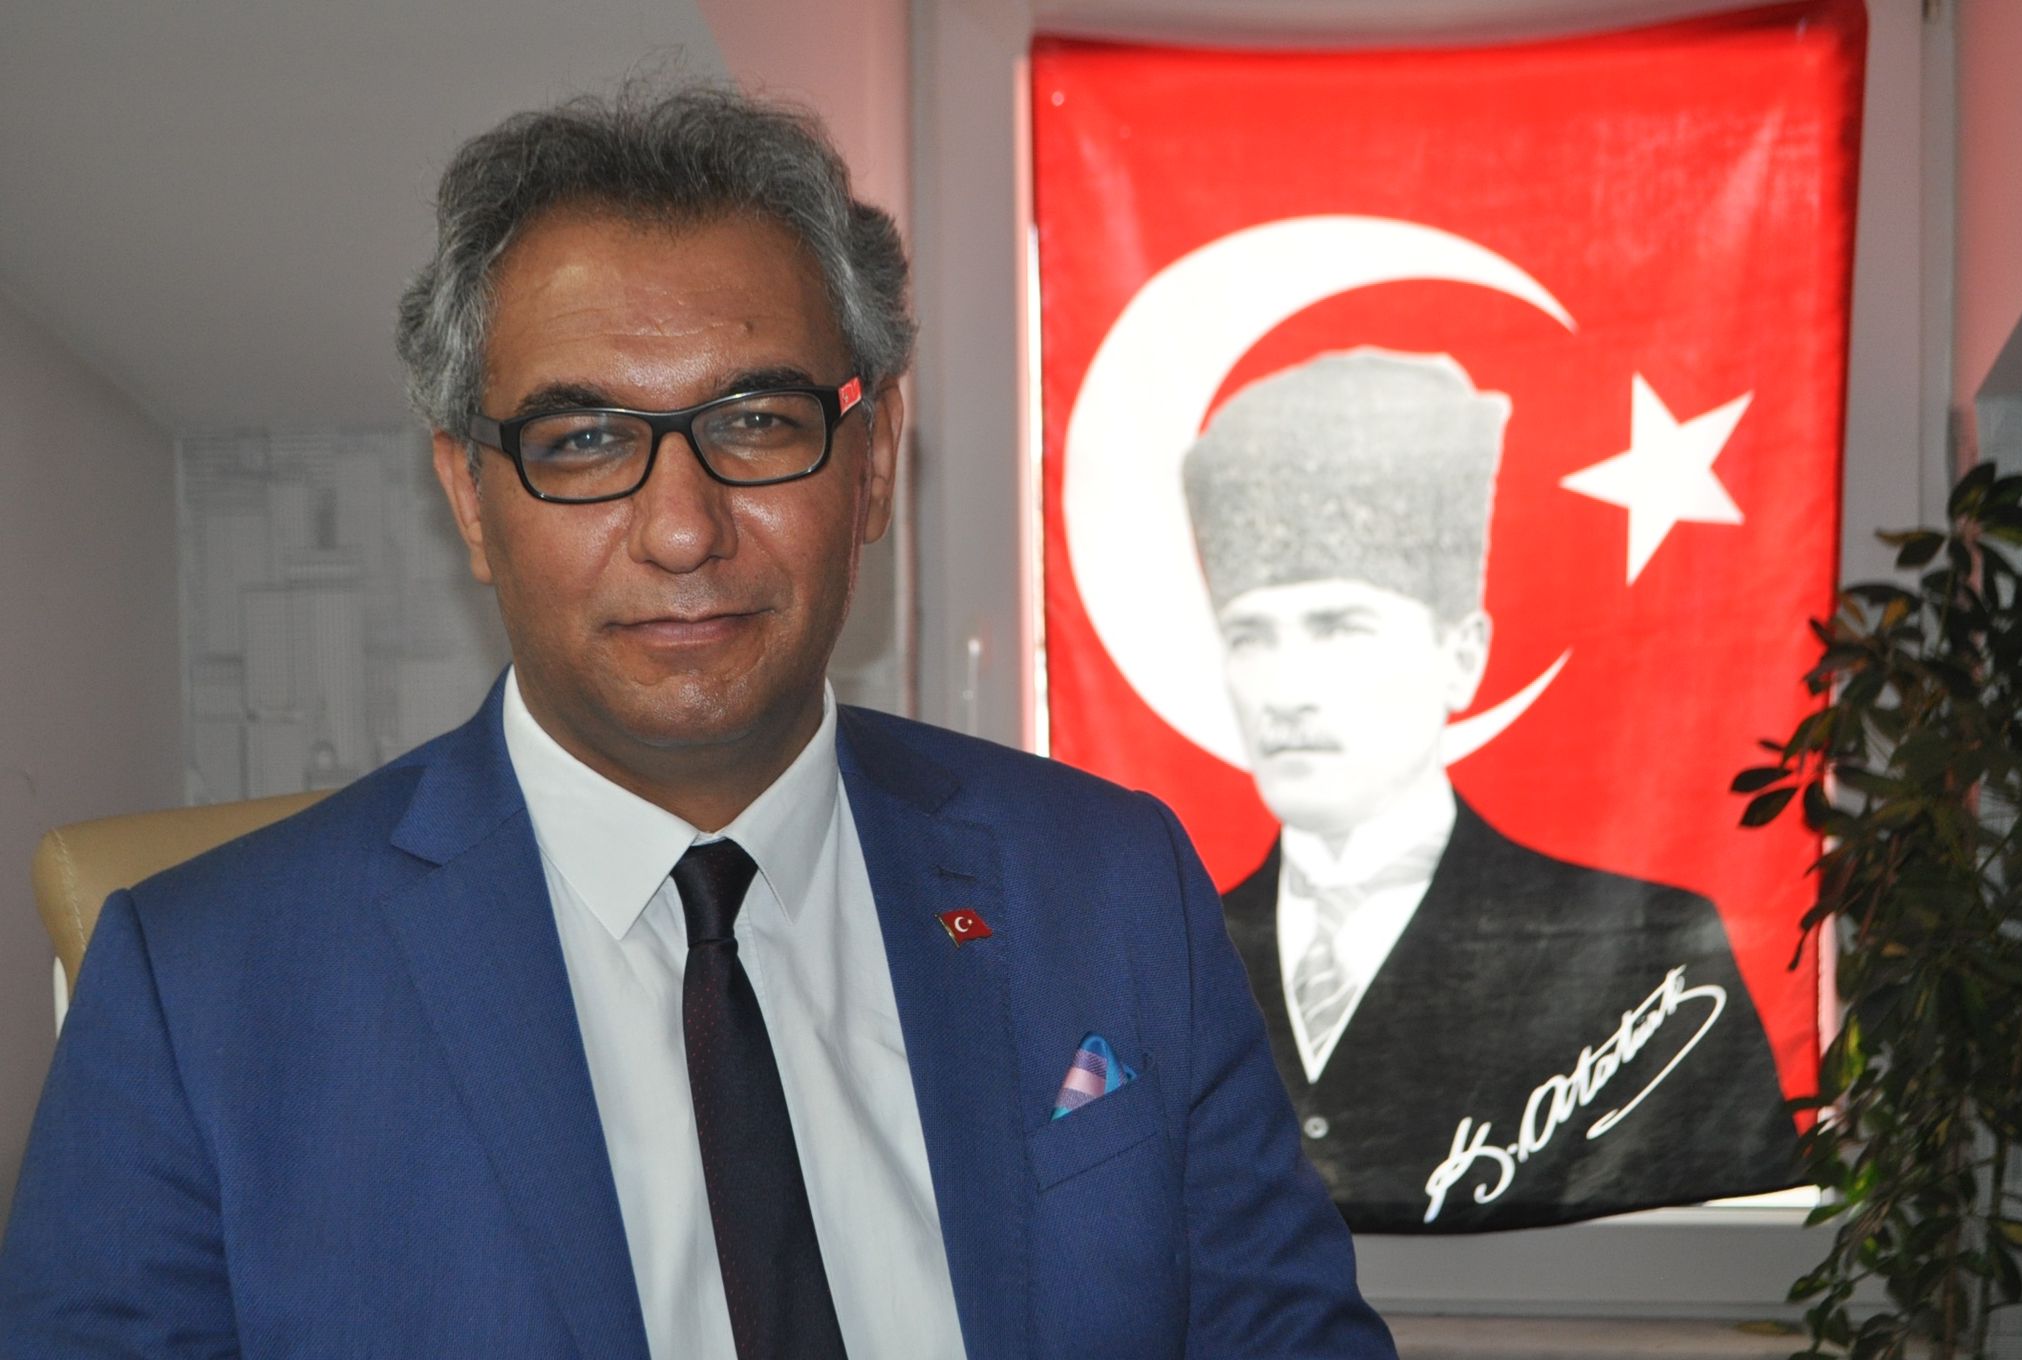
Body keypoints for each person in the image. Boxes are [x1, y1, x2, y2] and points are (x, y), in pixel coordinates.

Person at [0, 88, 1393, 1359]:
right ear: (472, 499)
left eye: (758, 421)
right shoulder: (200, 993)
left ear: (873, 461)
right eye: (583, 440)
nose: (681, 528)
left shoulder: (1108, 887)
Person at [1181, 346, 1799, 1233]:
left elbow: (1715, 1257)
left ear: (1462, 655)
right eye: (1250, 637)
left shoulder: (1652, 950)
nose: (1287, 689)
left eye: (1340, 627)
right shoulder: (1181, 953)